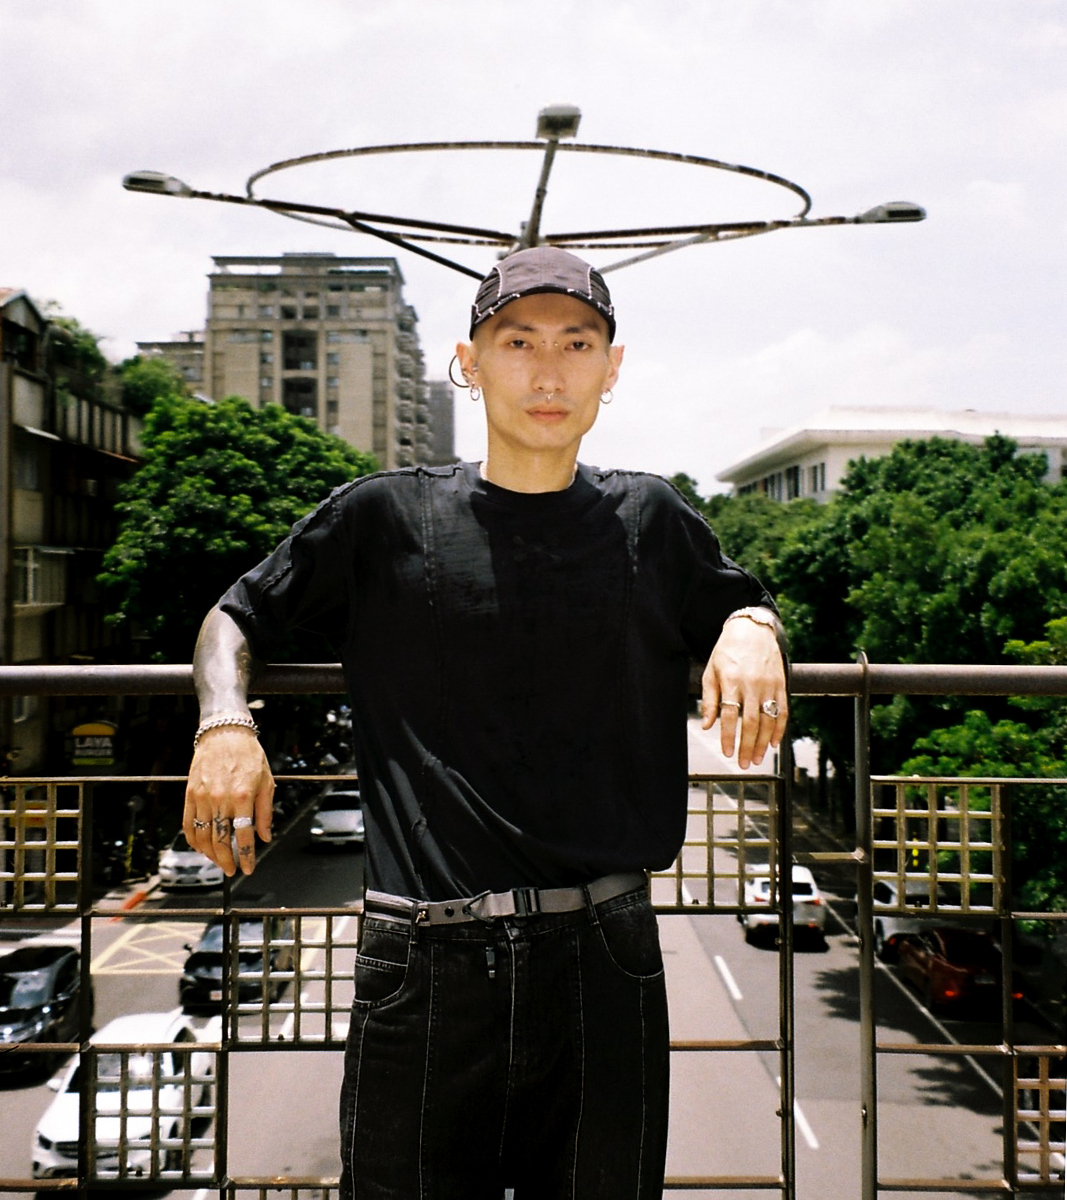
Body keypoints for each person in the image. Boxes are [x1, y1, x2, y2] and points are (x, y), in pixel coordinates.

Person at [184, 246, 788, 1199]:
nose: (548, 373)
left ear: (611, 369)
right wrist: (226, 724)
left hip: (604, 954)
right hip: (422, 959)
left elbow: (738, 599)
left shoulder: (651, 518)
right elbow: (235, 615)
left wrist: (752, 623)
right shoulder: (384, 516)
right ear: (469, 363)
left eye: (576, 345)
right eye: (518, 343)